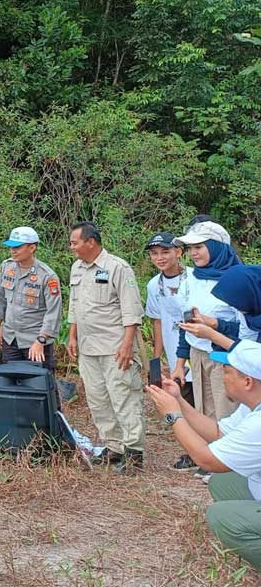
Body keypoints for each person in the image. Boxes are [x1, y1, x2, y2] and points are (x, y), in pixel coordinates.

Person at [146, 339, 261, 571]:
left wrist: (173, 416)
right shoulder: (252, 406)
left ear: (247, 381)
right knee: (223, 482)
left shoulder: (257, 424)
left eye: (226, 371)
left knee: (222, 517)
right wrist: (178, 400)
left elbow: (206, 459)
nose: (222, 376)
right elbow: (217, 432)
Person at [67, 221, 145, 474]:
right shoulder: (77, 268)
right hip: (89, 348)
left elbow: (131, 311)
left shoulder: (118, 268)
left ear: (90, 242)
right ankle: (114, 448)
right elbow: (74, 306)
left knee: (123, 398)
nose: (71, 248)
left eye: (74, 243)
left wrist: (127, 345)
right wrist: (72, 337)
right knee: (98, 400)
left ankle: (134, 454)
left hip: (115, 347)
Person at [172, 222, 257, 427]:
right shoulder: (191, 278)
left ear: (217, 247)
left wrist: (215, 325)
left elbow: (251, 330)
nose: (193, 253)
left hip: (227, 357)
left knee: (228, 415)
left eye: (199, 247)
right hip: (198, 355)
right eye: (190, 248)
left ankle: (229, 457)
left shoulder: (239, 280)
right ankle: (207, 456)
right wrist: (180, 364)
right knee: (203, 412)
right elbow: (187, 322)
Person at [143, 232, 196, 471]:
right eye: (154, 253)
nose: (160, 257)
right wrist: (158, 354)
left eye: (165, 251)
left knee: (204, 401)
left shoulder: (193, 279)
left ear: (179, 252)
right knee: (183, 400)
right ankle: (192, 452)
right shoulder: (154, 285)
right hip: (175, 354)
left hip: (198, 349)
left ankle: (211, 452)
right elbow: (156, 320)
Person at [0, 226, 62, 372]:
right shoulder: (7, 267)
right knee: (10, 384)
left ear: (32, 248)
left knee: (39, 386)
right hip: (10, 338)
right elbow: (0, 298)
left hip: (35, 340)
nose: (13, 250)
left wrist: (41, 340)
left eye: (17, 247)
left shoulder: (47, 276)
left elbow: (53, 313)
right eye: (11, 247)